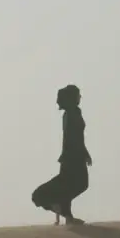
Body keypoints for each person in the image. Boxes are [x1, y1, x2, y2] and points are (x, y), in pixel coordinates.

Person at [31, 84, 92, 225]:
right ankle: (58, 208)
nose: (80, 98)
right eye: (78, 95)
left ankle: (63, 211)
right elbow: (73, 137)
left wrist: (85, 152)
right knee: (77, 184)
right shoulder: (72, 113)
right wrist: (82, 153)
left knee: (71, 185)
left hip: (73, 155)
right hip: (73, 156)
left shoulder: (73, 113)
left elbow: (77, 136)